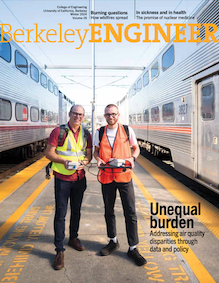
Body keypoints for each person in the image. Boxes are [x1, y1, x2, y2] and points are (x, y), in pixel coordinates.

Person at [94, 104, 146, 266]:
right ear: (104, 116)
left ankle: (133, 248)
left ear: (118, 115)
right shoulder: (99, 132)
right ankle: (113, 241)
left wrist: (132, 159)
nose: (111, 117)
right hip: (107, 177)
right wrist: (98, 159)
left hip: (124, 177)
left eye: (113, 114)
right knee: (109, 211)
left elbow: (136, 149)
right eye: (108, 115)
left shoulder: (127, 130)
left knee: (130, 212)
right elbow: (96, 151)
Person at [45, 105, 92, 270]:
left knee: (77, 211)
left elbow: (89, 155)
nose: (78, 117)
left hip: (79, 178)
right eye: (75, 114)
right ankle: (59, 250)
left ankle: (73, 238)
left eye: (80, 114)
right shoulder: (58, 132)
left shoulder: (86, 133)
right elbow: (49, 153)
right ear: (69, 114)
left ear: (83, 116)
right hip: (62, 179)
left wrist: (84, 163)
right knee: (61, 214)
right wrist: (64, 161)